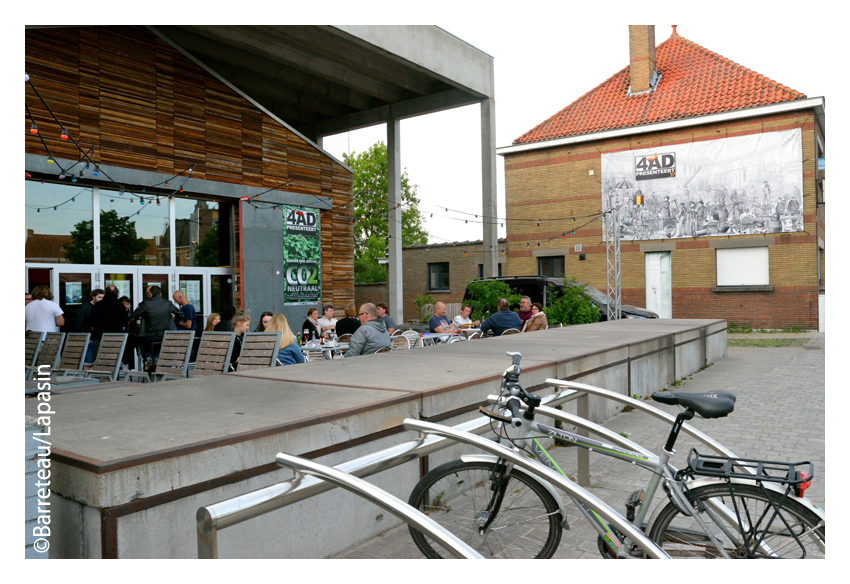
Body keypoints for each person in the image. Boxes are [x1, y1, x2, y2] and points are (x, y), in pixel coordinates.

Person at [129, 285, 182, 368]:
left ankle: (148, 358)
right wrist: (173, 324)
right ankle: (156, 359)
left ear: (151, 293)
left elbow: (132, 317)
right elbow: (180, 314)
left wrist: (136, 329)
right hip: (165, 336)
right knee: (159, 346)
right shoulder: (167, 303)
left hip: (150, 336)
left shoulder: (146, 304)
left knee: (141, 339)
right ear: (160, 293)